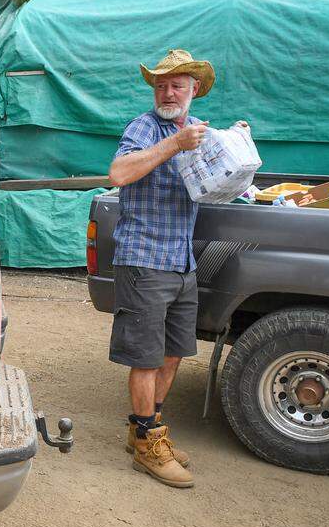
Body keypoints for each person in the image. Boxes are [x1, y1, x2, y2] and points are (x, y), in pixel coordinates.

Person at [106, 49, 248, 488]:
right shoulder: (145, 127)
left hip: (182, 261)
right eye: (161, 85)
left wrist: (235, 147)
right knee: (146, 358)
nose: (168, 92)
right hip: (144, 260)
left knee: (172, 354)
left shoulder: (196, 131)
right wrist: (171, 145)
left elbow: (216, 185)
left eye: (178, 85)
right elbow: (118, 174)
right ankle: (149, 444)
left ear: (194, 91)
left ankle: (144, 431)